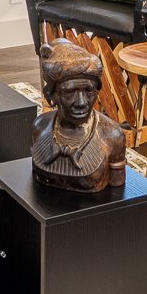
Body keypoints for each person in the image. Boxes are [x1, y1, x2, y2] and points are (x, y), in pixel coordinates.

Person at [31, 41, 127, 192]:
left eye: (88, 91)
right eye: (69, 92)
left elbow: (117, 190)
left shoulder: (113, 136)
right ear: (50, 96)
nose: (81, 103)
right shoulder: (40, 126)